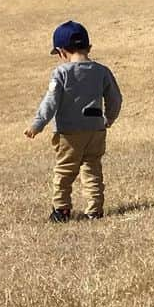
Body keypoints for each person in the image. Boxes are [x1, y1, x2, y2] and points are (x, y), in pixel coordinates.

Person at [24, 21, 123, 222]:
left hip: (69, 133)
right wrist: (109, 118)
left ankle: (62, 210)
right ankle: (95, 210)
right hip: (96, 129)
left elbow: (50, 102)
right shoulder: (101, 71)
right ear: (89, 47)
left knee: (65, 170)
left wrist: (37, 124)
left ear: (61, 52)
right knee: (92, 168)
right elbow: (115, 98)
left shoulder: (61, 73)